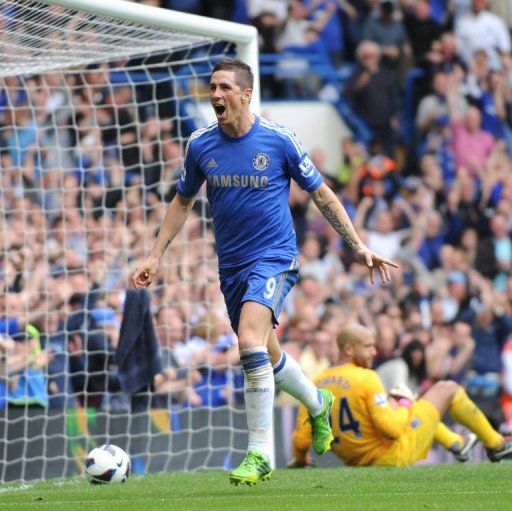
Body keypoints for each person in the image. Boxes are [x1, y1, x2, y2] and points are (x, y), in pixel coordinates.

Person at [132, 58, 398, 485]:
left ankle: (258, 451)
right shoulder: (200, 145)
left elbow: (323, 195)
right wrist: (155, 254)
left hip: (275, 256)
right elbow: (182, 201)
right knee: (267, 353)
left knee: (248, 341)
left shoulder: (279, 140)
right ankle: (317, 401)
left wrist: (359, 245)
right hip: (232, 265)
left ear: (245, 93)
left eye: (223, 87)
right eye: (211, 87)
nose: (215, 95)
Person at [290, 323, 512, 467]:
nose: (374, 352)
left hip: (355, 461)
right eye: (368, 347)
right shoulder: (366, 378)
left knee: (406, 406)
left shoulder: (315, 383)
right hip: (390, 456)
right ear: (348, 349)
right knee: (447, 389)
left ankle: (457, 443)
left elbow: (301, 438)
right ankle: (496, 444)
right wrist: (405, 402)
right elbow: (392, 430)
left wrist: (301, 460)